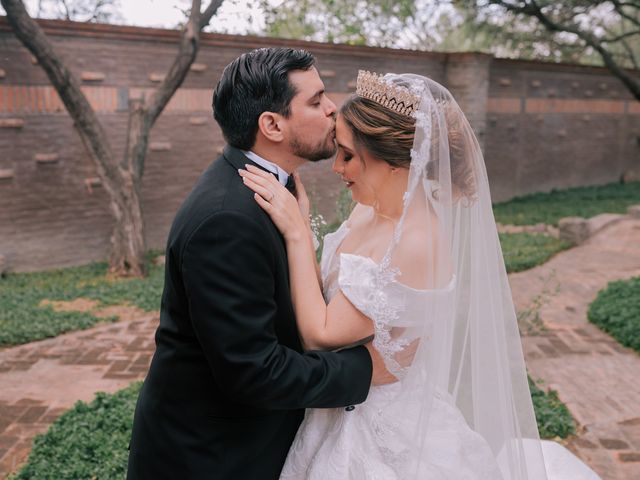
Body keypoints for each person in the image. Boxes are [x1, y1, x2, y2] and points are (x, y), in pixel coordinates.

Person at [240, 71, 603, 479]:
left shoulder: (417, 240)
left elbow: (320, 334)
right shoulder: (368, 208)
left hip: (382, 424)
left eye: (348, 155)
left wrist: (297, 234)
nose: (337, 168)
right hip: (337, 403)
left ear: (394, 162)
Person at [126, 49, 389, 480]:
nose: (332, 110)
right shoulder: (226, 219)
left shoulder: (274, 191)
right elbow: (254, 371)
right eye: (316, 100)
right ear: (271, 125)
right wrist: (364, 367)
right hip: (212, 457)